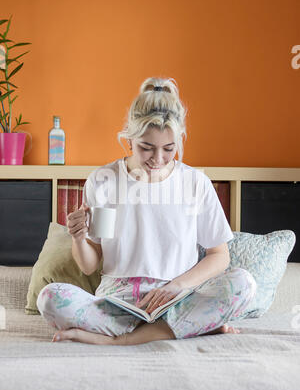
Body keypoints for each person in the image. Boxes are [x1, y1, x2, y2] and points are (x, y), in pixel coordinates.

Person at [37, 77, 257, 345]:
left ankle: (122, 340)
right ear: (129, 136)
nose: (158, 159)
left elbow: (219, 256)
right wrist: (79, 238)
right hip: (118, 303)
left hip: (178, 297)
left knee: (244, 284)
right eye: (146, 148)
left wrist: (177, 286)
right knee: (49, 298)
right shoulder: (104, 180)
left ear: (179, 140)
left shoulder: (195, 183)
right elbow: (89, 265)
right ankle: (186, 327)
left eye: (169, 149)